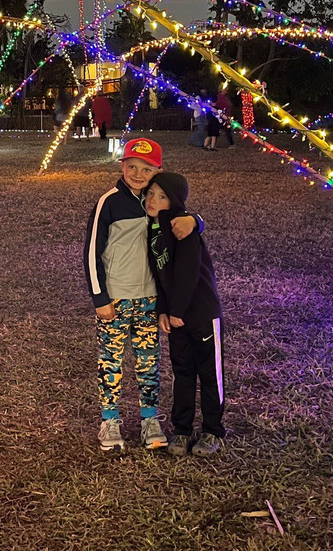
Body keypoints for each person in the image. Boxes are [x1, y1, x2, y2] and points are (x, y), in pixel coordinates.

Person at [83, 137, 200, 452]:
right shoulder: (109, 201)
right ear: (122, 165)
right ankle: (109, 421)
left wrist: (197, 222)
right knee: (111, 362)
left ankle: (150, 419)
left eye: (146, 168)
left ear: (158, 170)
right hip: (115, 301)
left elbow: (187, 220)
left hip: (150, 301)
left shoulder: (157, 202)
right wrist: (100, 299)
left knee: (149, 363)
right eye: (131, 166)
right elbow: (92, 252)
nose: (137, 173)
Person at [144, 171, 226, 457]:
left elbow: (187, 274)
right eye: (151, 193)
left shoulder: (183, 228)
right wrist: (165, 311)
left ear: (175, 201)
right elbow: (161, 275)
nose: (153, 199)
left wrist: (178, 310)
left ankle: (213, 431)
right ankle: (181, 430)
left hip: (201, 312)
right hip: (176, 316)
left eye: (162, 196)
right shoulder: (152, 227)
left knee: (209, 374)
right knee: (182, 372)